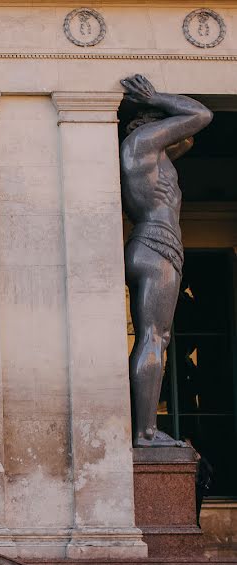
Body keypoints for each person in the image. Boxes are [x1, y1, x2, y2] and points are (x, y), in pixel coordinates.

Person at [119, 74, 212, 447]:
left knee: (155, 336)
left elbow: (186, 140)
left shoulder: (149, 155)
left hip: (152, 242)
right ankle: (145, 431)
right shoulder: (142, 142)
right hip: (157, 244)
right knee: (155, 336)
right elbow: (200, 114)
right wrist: (157, 96)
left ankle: (144, 429)